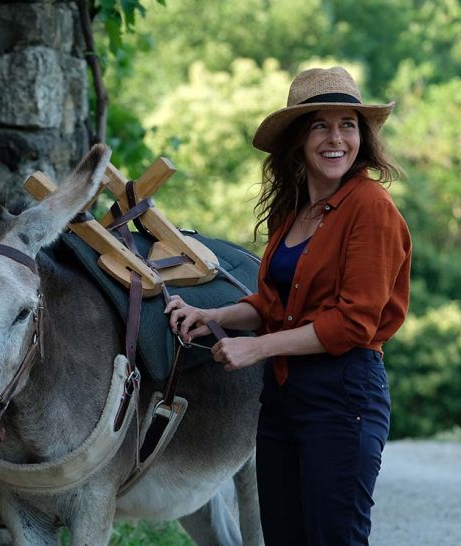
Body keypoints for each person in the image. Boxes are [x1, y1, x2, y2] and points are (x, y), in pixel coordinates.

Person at [165, 66, 412, 545]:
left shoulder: (371, 207)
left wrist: (256, 348)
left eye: (347, 125)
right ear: (299, 139)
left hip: (343, 396)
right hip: (282, 397)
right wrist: (213, 317)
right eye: (320, 125)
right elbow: (276, 303)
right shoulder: (293, 210)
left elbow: (353, 323)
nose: (335, 138)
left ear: (362, 137)